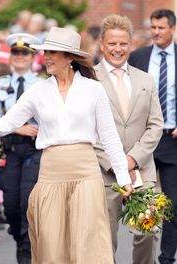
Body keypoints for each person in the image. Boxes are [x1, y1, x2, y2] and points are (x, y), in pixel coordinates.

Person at [0, 26, 134, 263]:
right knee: (52, 246)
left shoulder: (93, 89)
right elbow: (2, 126)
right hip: (50, 174)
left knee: (88, 244)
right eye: (45, 52)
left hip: (86, 174)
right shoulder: (37, 91)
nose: (46, 57)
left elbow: (110, 137)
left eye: (53, 52)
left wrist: (123, 178)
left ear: (70, 57)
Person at [94, 14, 164, 264]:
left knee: (148, 231)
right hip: (105, 175)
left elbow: (155, 125)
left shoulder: (145, 79)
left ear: (130, 44)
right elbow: (89, 132)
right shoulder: (88, 80)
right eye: (112, 43)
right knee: (103, 239)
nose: (117, 49)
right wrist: (116, 163)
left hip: (141, 171)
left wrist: (133, 158)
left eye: (123, 43)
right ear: (102, 44)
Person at [0, 32, 42, 263]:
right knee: (10, 205)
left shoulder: (42, 85)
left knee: (27, 201)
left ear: (32, 57)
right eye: (16, 52)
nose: (19, 57)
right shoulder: (0, 86)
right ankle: (21, 240)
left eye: (24, 53)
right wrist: (16, 128)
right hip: (9, 150)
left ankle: (27, 252)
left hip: (34, 150)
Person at [128, 9, 177, 264]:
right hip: (143, 140)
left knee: (172, 203)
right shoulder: (138, 57)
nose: (156, 32)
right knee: (143, 200)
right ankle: (144, 253)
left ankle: (166, 258)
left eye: (161, 28)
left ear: (173, 29)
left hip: (172, 140)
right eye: (153, 27)